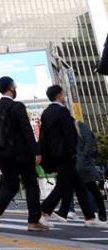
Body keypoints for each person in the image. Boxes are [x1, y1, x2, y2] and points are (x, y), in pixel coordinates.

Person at [0, 76, 47, 231]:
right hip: (22, 154)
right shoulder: (17, 106)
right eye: (15, 85)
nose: (16, 88)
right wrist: (36, 152)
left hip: (3, 154)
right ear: (11, 87)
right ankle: (33, 222)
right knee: (31, 185)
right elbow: (26, 130)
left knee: (10, 185)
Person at [39, 85, 103, 228]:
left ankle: (90, 217)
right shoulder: (62, 111)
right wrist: (73, 151)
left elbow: (44, 136)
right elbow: (70, 135)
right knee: (62, 184)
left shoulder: (46, 113)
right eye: (63, 94)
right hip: (66, 154)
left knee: (79, 185)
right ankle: (42, 212)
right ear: (59, 96)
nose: (65, 97)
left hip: (54, 154)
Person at [75, 120, 107, 222]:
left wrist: (84, 155)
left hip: (84, 164)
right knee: (80, 190)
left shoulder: (78, 124)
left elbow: (89, 140)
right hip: (74, 163)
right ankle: (90, 216)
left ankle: (101, 215)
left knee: (92, 188)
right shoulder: (64, 129)